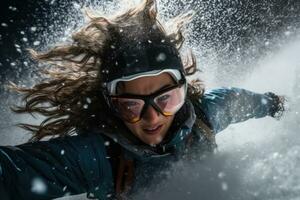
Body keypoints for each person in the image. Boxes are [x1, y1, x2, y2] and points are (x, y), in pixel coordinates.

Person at [0, 0, 285, 199]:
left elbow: (243, 102)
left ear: (184, 93)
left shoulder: (207, 115)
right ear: (112, 105)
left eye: (166, 99)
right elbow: (13, 173)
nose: (152, 118)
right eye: (131, 106)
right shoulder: (98, 157)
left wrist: (277, 103)